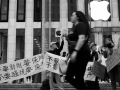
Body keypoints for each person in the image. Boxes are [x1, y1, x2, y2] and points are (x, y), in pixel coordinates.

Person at [63, 11, 91, 90]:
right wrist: (69, 56)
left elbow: (81, 39)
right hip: (76, 53)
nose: (71, 16)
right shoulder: (74, 27)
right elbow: (72, 44)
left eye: (72, 15)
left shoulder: (81, 25)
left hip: (81, 53)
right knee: (69, 77)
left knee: (79, 77)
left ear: (78, 17)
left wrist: (75, 52)